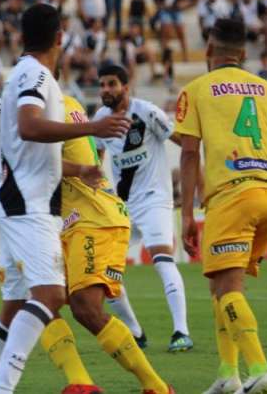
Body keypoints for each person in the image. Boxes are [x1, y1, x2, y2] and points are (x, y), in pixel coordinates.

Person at [0, 94, 173, 393]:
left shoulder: (49, 109)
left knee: (85, 307)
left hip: (92, 216)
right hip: (62, 222)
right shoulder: (58, 104)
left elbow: (39, 164)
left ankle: (156, 387)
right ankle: (81, 383)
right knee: (38, 300)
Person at [0, 2, 130, 393]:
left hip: (23, 201)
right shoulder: (35, 74)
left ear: (21, 36)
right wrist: (92, 127)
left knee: (14, 308)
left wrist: (79, 167)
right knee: (49, 295)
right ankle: (0, 389)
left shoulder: (23, 73)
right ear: (60, 38)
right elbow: (29, 127)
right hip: (28, 205)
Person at [177, 18, 267, 394]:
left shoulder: (197, 89)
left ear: (209, 52)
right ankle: (228, 374)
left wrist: (186, 212)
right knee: (223, 286)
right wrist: (266, 165)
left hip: (232, 196)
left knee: (228, 287)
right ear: (244, 54)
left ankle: (259, 367)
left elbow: (188, 153)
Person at [93, 64, 193, 352]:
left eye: (111, 84)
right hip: (122, 206)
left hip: (154, 199)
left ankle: (181, 332)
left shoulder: (147, 112)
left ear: (126, 86)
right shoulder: (100, 119)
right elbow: (95, 161)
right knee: (104, 272)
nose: (105, 90)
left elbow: (182, 141)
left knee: (162, 258)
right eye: (102, 84)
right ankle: (136, 332)